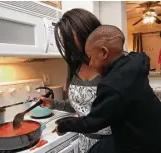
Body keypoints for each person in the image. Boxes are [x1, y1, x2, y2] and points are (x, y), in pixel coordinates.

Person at [54, 25, 161, 153]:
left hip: (140, 145)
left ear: (104, 53)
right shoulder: (135, 61)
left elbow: (93, 122)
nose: (90, 64)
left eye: (91, 58)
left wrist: (63, 125)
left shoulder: (112, 86)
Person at [41, 9, 115, 153]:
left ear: (88, 33)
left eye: (68, 38)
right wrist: (53, 104)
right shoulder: (74, 66)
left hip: (112, 144)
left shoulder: (112, 65)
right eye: (64, 39)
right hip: (84, 143)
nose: (66, 44)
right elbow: (79, 106)